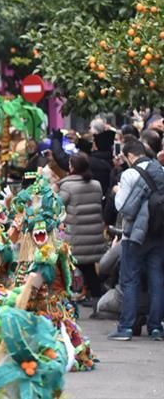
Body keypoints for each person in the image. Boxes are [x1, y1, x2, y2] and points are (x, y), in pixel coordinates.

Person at [108, 139, 164, 341]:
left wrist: (116, 192)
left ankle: (126, 327)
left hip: (135, 236)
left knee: (130, 279)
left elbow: (121, 206)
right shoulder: (160, 170)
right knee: (157, 279)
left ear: (130, 155)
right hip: (158, 233)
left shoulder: (130, 174)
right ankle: (156, 326)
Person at [58, 153, 108, 305]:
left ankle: (74, 294)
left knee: (71, 266)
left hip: (76, 236)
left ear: (72, 167)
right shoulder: (96, 185)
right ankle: (95, 295)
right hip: (93, 235)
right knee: (88, 268)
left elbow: (58, 204)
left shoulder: (67, 186)